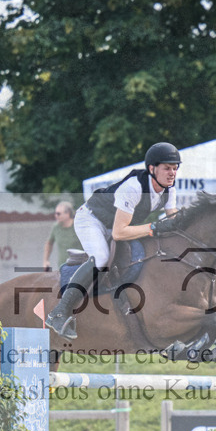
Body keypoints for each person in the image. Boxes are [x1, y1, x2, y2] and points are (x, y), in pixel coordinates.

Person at [46, 142, 183, 339]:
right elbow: (119, 233)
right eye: (167, 168)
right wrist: (153, 227)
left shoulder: (169, 189)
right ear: (152, 169)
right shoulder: (134, 187)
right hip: (91, 219)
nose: (172, 173)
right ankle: (58, 312)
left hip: (114, 223)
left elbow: (174, 218)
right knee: (101, 258)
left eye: (175, 168)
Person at [43, 201, 83, 271]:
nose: (56, 216)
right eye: (55, 213)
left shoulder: (78, 225)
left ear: (67, 214)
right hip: (63, 267)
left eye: (58, 214)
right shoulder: (56, 227)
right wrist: (46, 260)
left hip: (80, 266)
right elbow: (49, 243)